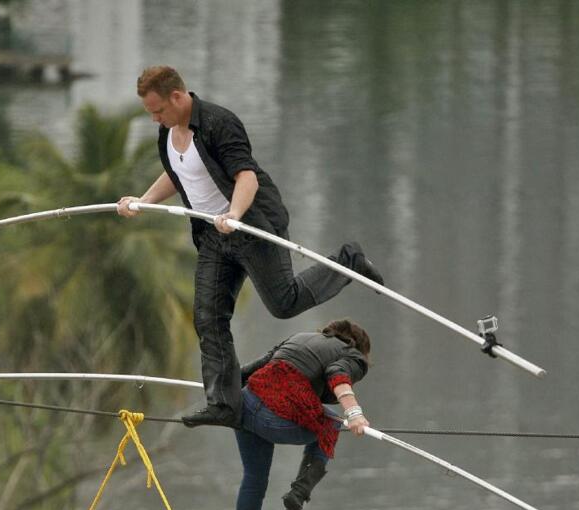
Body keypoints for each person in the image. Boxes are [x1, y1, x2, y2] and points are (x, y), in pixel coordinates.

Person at [117, 66, 384, 429]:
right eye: (151, 113)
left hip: (252, 224)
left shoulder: (218, 122)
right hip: (212, 236)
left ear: (177, 97)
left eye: (158, 110)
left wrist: (234, 213)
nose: (155, 118)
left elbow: (246, 176)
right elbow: (180, 174)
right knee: (208, 317)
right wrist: (143, 200)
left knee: (283, 302)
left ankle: (348, 262)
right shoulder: (167, 133)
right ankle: (224, 403)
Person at [229, 319, 372, 510]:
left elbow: (248, 372)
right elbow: (339, 374)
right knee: (331, 423)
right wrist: (353, 413)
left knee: (254, 477)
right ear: (359, 346)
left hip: (244, 409)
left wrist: (218, 394)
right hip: (273, 419)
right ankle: (298, 493)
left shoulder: (299, 338)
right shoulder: (352, 355)